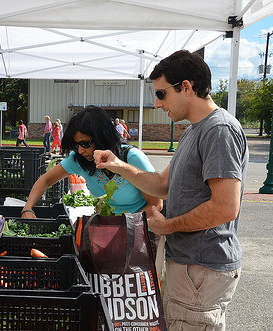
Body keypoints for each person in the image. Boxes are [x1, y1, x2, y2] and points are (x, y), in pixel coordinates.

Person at [94, 50, 249, 330]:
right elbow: (163, 185)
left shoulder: (219, 130)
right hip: (190, 267)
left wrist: (168, 226)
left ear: (186, 87)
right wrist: (118, 165)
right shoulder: (194, 131)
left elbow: (226, 207)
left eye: (161, 94)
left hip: (200, 268)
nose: (156, 104)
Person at [21, 106, 162, 219]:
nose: (81, 150)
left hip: (142, 230)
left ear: (102, 138)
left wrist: (124, 225)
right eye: (77, 145)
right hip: (107, 228)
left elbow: (156, 204)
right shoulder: (78, 159)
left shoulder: (132, 158)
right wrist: (27, 209)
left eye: (85, 144)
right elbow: (45, 180)